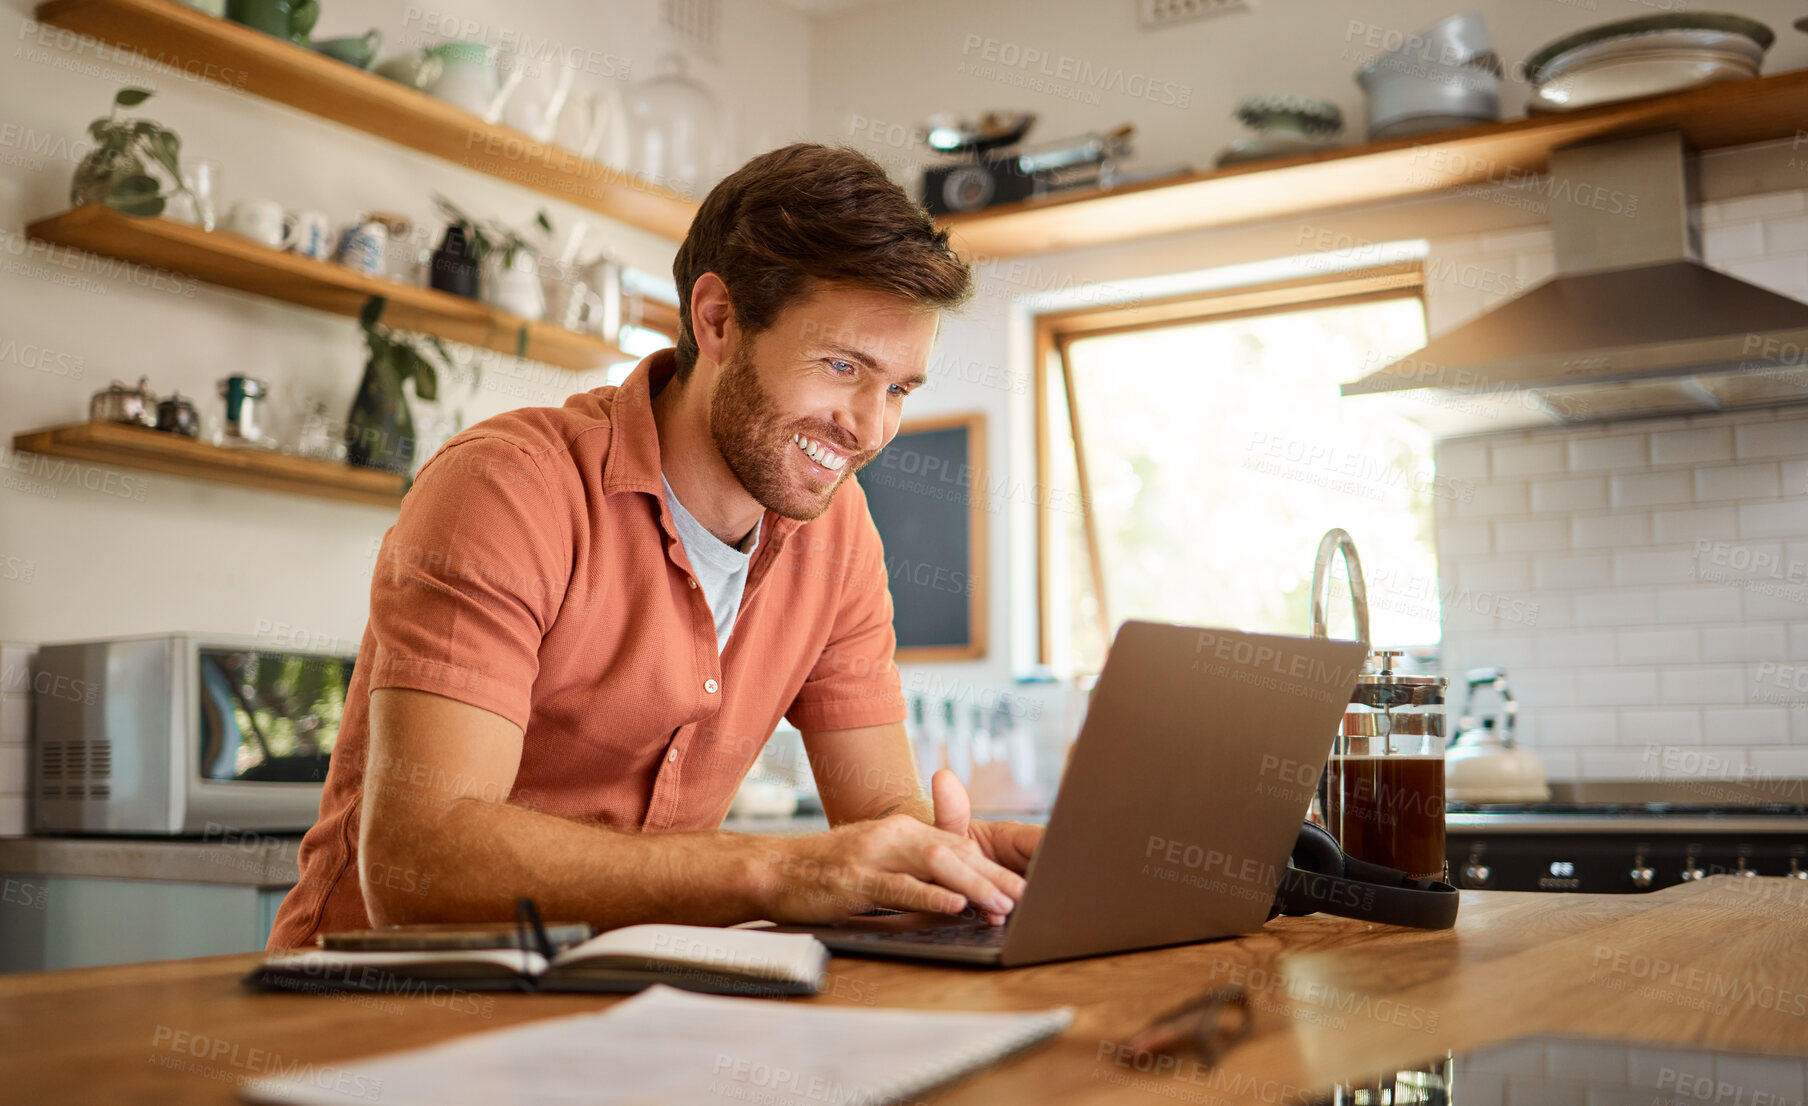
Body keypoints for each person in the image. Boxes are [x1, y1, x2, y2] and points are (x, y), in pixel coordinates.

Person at [267, 144, 1042, 949]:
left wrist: (958, 864)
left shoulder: (839, 535)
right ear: (718, 322)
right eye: (842, 364)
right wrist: (779, 872)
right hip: (385, 1019)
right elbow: (417, 868)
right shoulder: (507, 489)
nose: (871, 428)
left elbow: (881, 817)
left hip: (628, 1009)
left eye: (897, 389)